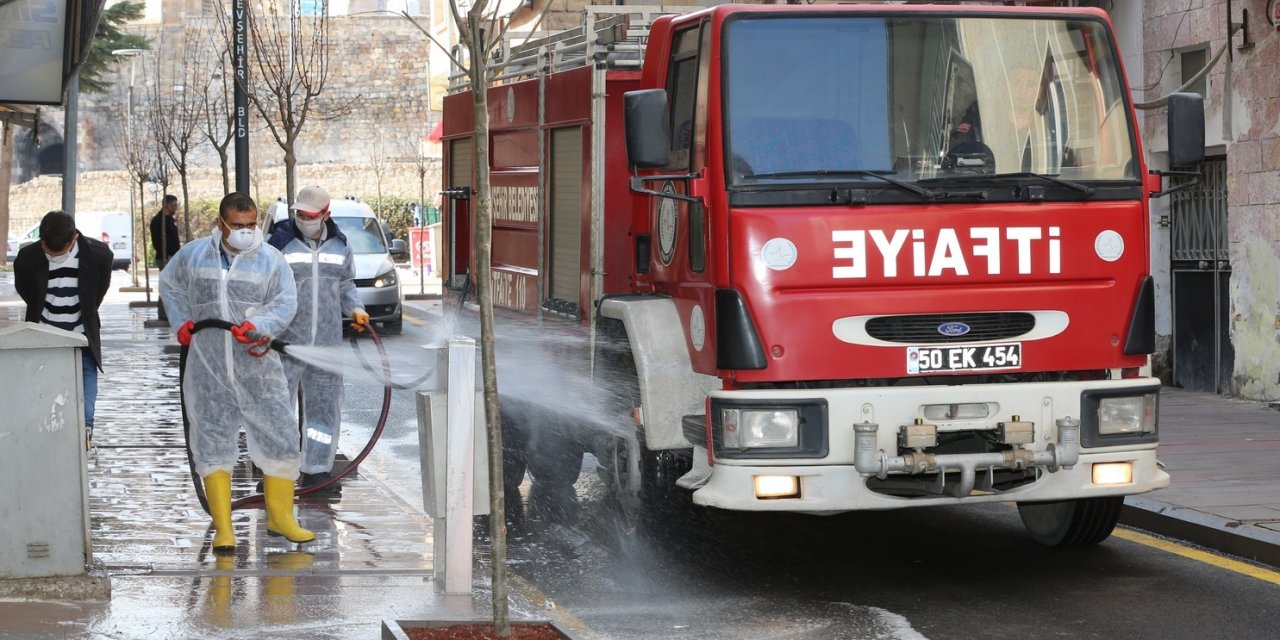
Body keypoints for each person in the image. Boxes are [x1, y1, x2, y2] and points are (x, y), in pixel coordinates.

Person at [159, 191, 313, 553]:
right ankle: (224, 529)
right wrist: (181, 320)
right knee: (211, 439)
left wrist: (259, 324)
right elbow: (170, 283)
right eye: (238, 226)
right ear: (220, 224)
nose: (246, 232)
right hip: (208, 365)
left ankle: (281, 518)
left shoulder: (270, 260)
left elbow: (285, 301)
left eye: (251, 225)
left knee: (279, 434)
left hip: (256, 363)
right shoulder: (195, 254)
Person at [267, 185, 369, 491]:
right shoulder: (279, 245)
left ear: (326, 214)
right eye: (299, 213)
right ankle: (277, 473)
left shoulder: (340, 246)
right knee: (276, 410)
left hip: (326, 345)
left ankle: (317, 471)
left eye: (310, 215)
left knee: (323, 412)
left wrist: (356, 309)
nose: (304, 219)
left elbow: (346, 284)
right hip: (285, 344)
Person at [13, 210, 114, 445]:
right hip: (44, 335)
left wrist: (83, 316)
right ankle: (47, 438)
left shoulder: (99, 256)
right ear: (42, 241)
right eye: (49, 252)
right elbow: (27, 291)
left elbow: (97, 294)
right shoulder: (27, 258)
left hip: (81, 335)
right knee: (43, 392)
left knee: (86, 380)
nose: (54, 256)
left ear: (74, 239)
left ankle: (85, 431)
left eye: (60, 252)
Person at [150, 194, 181, 320]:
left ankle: (168, 312)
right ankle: (163, 312)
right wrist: (166, 255)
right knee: (167, 285)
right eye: (173, 205)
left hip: (172, 257)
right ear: (166, 205)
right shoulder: (159, 221)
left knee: (172, 285)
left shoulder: (169, 220)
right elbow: (158, 241)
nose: (175, 208)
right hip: (166, 257)